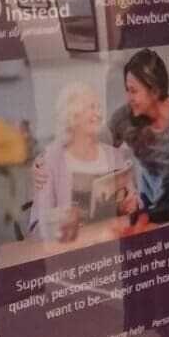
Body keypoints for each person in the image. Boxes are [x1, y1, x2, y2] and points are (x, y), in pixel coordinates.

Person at [108, 49, 169, 224]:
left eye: (134, 91)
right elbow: (101, 144)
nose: (129, 98)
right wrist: (124, 191)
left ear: (154, 91)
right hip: (147, 200)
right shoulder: (124, 118)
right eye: (127, 90)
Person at [28, 82, 135, 237]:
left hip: (114, 245)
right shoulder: (50, 163)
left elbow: (136, 204)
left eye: (99, 108)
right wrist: (61, 223)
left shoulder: (116, 156)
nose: (99, 114)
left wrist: (131, 204)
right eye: (91, 107)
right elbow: (36, 227)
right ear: (73, 115)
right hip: (73, 250)